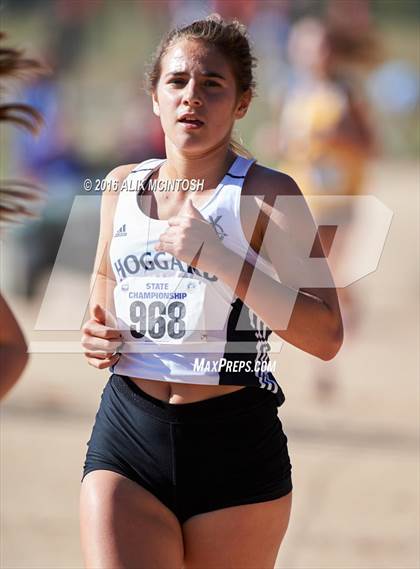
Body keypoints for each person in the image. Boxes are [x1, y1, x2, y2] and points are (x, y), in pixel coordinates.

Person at [80, 15, 343, 569]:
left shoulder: (270, 192)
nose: (191, 97)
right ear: (154, 96)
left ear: (242, 102)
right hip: (128, 433)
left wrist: (220, 258)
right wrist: (95, 332)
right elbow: (101, 295)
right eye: (176, 82)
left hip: (235, 447)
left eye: (212, 85)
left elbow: (326, 335)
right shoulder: (121, 185)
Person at [277, 17, 376, 399]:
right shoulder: (291, 91)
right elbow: (287, 142)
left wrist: (337, 136)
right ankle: (348, 300)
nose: (310, 54)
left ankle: (324, 369)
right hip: (300, 198)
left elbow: (369, 144)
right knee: (313, 278)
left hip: (337, 200)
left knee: (318, 278)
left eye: (317, 46)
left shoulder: (345, 93)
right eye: (302, 46)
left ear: (331, 52)